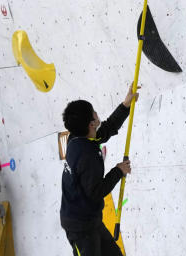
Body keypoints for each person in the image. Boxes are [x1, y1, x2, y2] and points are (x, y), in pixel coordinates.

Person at [60, 83, 139, 256]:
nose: (97, 113)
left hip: (91, 221)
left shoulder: (77, 137)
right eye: (94, 112)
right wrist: (118, 171)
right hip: (79, 227)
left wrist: (125, 105)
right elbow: (96, 191)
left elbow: (106, 130)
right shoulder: (87, 156)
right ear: (91, 123)